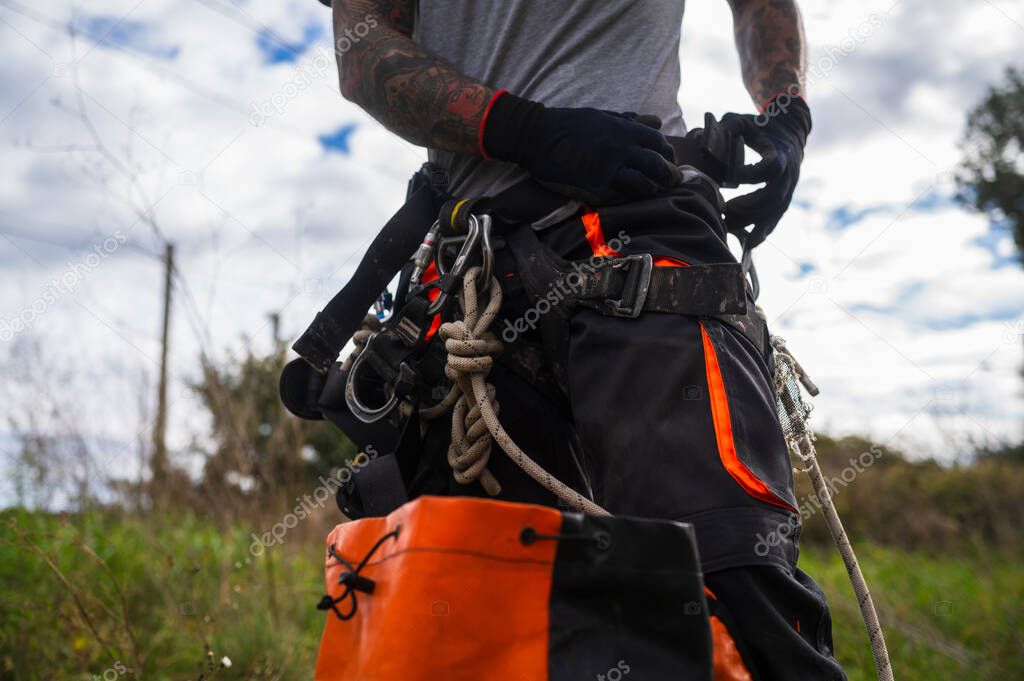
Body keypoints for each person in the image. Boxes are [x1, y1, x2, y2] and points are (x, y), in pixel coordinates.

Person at [328, 0, 843, 678]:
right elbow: (364, 52)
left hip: (644, 233)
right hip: (471, 270)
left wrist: (787, 114)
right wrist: (527, 131)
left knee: (731, 590)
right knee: (468, 633)